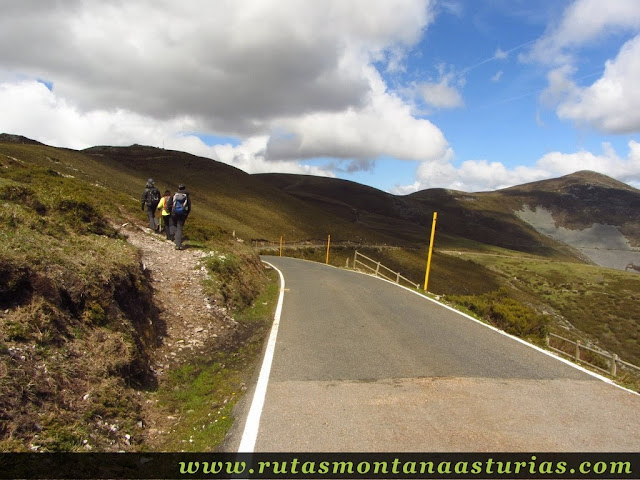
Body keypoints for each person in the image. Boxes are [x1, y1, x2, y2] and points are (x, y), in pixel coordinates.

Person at [171, 184, 191, 250]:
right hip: (182, 214)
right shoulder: (186, 197)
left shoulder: (175, 195)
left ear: (178, 188)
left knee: (175, 225)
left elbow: (169, 204)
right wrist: (186, 215)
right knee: (179, 227)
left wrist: (171, 212)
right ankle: (178, 244)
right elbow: (189, 207)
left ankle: (175, 239)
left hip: (174, 213)